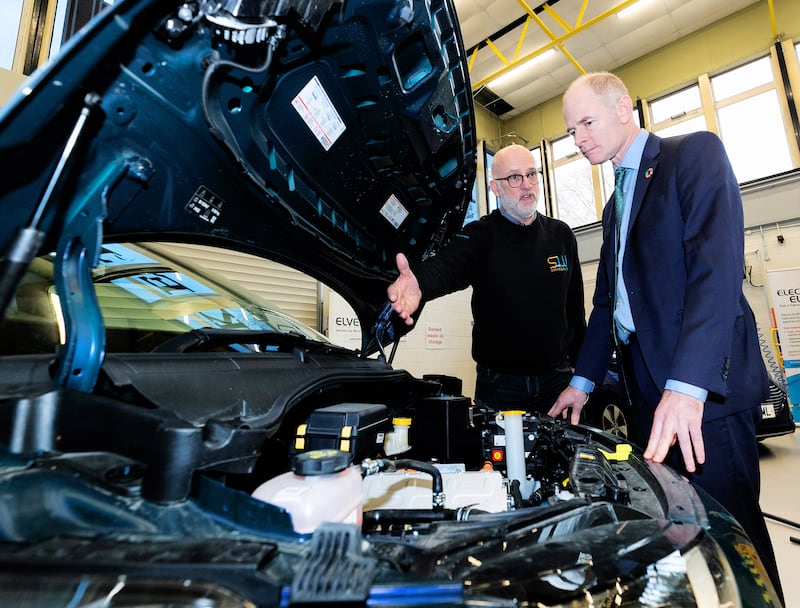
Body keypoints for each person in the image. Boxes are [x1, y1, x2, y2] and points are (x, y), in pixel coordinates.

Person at [550, 71, 783, 601]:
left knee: (734, 531)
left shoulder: (692, 155)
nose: (579, 137)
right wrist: (583, 382)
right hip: (648, 394)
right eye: (570, 131)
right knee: (679, 523)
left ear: (624, 109)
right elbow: (608, 304)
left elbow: (715, 268)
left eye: (586, 122)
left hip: (703, 394)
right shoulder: (613, 209)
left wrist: (688, 385)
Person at [387, 143, 586, 415]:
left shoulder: (562, 236)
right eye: (515, 178)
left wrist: (581, 374)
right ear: (495, 188)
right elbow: (447, 267)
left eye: (531, 174)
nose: (527, 185)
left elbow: (575, 311)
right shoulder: (481, 235)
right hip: (500, 386)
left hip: (557, 381)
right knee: (497, 459)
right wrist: (419, 284)